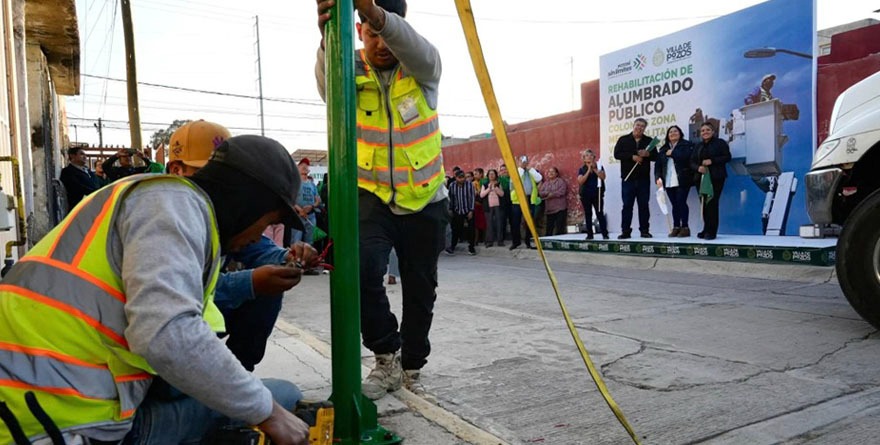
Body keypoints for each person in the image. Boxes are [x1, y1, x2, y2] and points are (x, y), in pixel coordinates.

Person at [0, 135, 311, 444]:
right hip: (63, 426)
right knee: (284, 397)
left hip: (45, 408)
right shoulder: (172, 206)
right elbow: (168, 335)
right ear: (249, 204)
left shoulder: (148, 199)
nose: (260, 236)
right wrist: (269, 414)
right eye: (267, 222)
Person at [315, 0, 447, 400]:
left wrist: (380, 17)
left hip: (425, 198)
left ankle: (412, 367)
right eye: (371, 33)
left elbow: (420, 51)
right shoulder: (347, 67)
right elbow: (325, 84)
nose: (381, 43)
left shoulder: (422, 68)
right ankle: (386, 355)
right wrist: (326, 37)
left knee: (421, 288)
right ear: (358, 33)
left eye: (386, 31)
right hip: (370, 195)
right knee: (359, 271)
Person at [166, 120, 315, 372]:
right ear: (176, 171)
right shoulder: (165, 218)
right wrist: (250, 282)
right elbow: (179, 298)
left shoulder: (217, 218)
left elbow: (260, 250)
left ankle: (236, 376)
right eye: (206, 175)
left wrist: (287, 256)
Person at [613, 117, 655, 239]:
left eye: (642, 126)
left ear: (645, 128)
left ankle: (644, 230)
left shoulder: (649, 141)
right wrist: (632, 157)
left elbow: (656, 156)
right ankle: (625, 231)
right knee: (627, 206)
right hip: (628, 179)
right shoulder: (623, 139)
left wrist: (648, 154)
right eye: (638, 125)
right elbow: (617, 154)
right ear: (633, 125)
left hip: (643, 179)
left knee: (643, 205)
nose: (639, 128)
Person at [691, 122, 732, 240]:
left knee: (712, 204)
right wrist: (698, 168)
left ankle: (712, 231)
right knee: (704, 204)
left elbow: (727, 157)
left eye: (708, 130)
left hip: (716, 178)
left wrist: (712, 161)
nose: (705, 132)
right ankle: (706, 229)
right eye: (703, 130)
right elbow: (691, 162)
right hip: (701, 179)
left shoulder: (720, 143)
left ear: (713, 132)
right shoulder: (698, 146)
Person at [654, 125, 695, 237]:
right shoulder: (663, 148)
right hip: (668, 180)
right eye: (670, 132)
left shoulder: (687, 145)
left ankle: (685, 227)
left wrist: (673, 153)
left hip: (682, 179)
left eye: (675, 131)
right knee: (674, 204)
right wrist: (657, 177)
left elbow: (688, 158)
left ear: (680, 133)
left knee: (681, 202)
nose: (673, 133)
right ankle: (676, 226)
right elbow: (658, 166)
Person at [509, 155, 542, 250]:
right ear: (518, 161)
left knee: (529, 222)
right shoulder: (516, 171)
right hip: (518, 200)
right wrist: (522, 168)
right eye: (522, 160)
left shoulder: (531, 171)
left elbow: (539, 178)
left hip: (530, 199)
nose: (524, 162)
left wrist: (530, 168)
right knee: (516, 222)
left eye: (525, 160)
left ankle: (529, 242)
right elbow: (515, 179)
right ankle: (516, 242)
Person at [577, 150, 608, 240]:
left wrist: (594, 169)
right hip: (586, 194)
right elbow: (581, 181)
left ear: (594, 157)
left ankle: (604, 234)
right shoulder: (582, 169)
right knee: (588, 214)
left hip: (597, 194)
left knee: (599, 213)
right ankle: (590, 234)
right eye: (586, 155)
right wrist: (588, 170)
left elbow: (603, 177)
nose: (589, 157)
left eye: (591, 155)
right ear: (584, 159)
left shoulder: (599, 166)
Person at [291, 159, 322, 247]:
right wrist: (300, 210)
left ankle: (307, 260)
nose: (305, 166)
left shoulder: (312, 184)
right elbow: (290, 199)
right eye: (302, 164)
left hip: (310, 217)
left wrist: (312, 206)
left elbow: (318, 200)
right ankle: (295, 260)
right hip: (297, 217)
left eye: (307, 165)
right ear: (297, 168)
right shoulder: (294, 183)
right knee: (296, 243)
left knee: (309, 244)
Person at [59, 146, 99, 211]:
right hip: (79, 209)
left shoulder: (88, 171)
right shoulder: (67, 172)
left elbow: (96, 183)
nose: (85, 157)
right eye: (81, 154)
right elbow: (76, 187)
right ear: (72, 156)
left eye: (85, 155)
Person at [446, 170, 475, 255]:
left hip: (468, 210)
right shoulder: (452, 186)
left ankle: (471, 248)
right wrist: (451, 209)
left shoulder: (469, 184)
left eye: (463, 177)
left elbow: (472, 197)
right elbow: (450, 198)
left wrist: (471, 210)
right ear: (456, 178)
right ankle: (452, 247)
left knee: (471, 230)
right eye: (460, 178)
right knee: (456, 229)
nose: (462, 179)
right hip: (457, 210)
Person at [538, 167, 568, 236]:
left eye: (553, 172)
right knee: (549, 227)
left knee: (560, 227)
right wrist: (548, 193)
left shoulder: (561, 182)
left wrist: (553, 194)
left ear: (556, 174)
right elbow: (541, 192)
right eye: (549, 172)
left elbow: (562, 191)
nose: (551, 173)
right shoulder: (546, 183)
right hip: (550, 209)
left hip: (560, 208)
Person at [479, 169, 505, 247]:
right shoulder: (485, 184)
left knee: (499, 223)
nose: (491, 175)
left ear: (496, 175)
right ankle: (489, 241)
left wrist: (495, 188)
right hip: (488, 206)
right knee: (489, 224)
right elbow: (482, 195)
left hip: (498, 206)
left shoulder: (499, 184)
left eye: (493, 174)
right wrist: (489, 189)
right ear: (488, 176)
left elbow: (502, 194)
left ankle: (500, 241)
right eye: (490, 174)